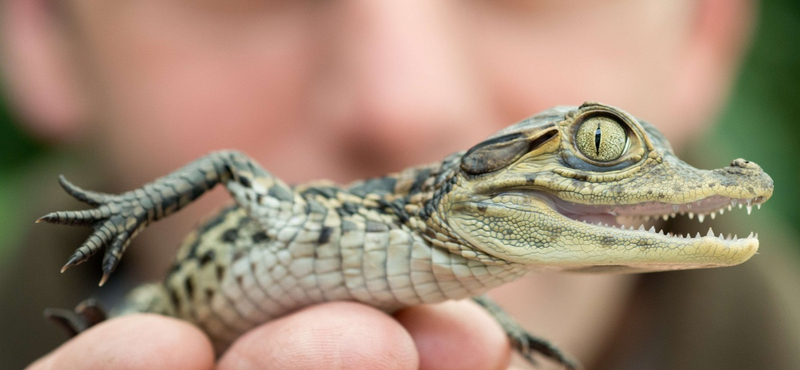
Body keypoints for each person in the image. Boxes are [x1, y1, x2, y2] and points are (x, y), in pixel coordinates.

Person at [2, 0, 798, 369]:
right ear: (41, 30)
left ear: (707, 29)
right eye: (598, 144)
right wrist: (134, 213)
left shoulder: (455, 267)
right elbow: (233, 172)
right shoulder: (361, 229)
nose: (400, 104)